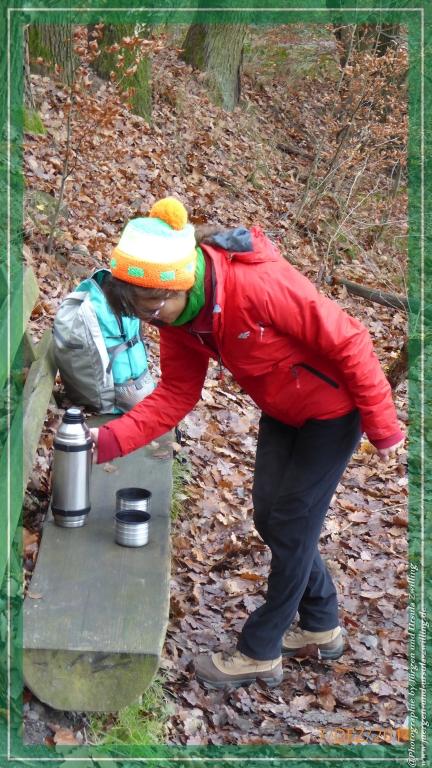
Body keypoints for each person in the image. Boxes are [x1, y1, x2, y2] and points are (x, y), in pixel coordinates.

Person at [90, 196, 404, 690]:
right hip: (284, 409)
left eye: (153, 307)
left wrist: (383, 426)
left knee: (292, 523)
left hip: (334, 412)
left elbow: (349, 340)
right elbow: (175, 394)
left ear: (180, 282)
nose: (151, 320)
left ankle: (260, 650)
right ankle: (322, 625)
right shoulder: (179, 320)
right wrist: (105, 441)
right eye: (140, 311)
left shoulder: (256, 285)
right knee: (270, 517)